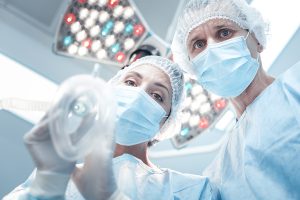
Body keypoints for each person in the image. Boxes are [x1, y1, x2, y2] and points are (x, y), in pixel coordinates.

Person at [4, 56, 220, 200]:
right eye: (131, 83)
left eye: (157, 96)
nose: (138, 96)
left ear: (166, 121)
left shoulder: (187, 190)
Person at [171, 0, 300, 199]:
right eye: (198, 44)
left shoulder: (295, 85)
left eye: (224, 32)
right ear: (193, 69)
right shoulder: (219, 173)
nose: (212, 49)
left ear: (256, 37)